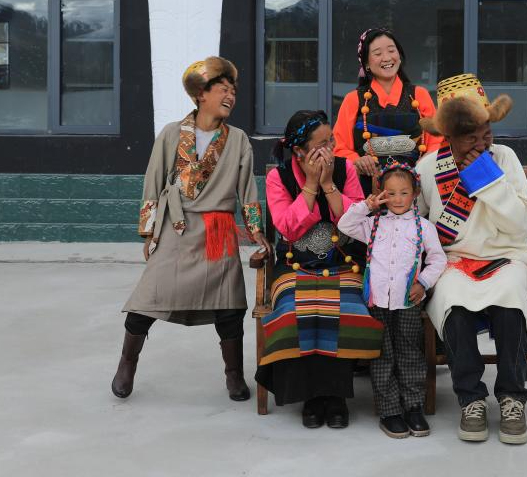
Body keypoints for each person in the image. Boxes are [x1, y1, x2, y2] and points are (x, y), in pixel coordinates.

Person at [112, 57, 271, 402]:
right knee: (147, 298)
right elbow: (154, 181)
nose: (230, 96)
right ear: (201, 94)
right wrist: (149, 232)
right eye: (222, 89)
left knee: (229, 306)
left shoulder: (238, 139)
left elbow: (247, 191)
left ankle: (233, 375)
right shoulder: (172, 133)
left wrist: (256, 231)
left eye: (233, 91)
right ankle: (127, 363)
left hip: (217, 230)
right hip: (177, 227)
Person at [414, 74, 527, 445]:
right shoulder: (428, 168)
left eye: (487, 133)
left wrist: (487, 180)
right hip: (453, 260)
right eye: (471, 137)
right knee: (453, 305)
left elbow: (522, 224)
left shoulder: (505, 158)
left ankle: (512, 397)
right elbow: (418, 226)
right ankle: (471, 399)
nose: (482, 143)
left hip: (506, 256)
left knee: (511, 300)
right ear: (449, 136)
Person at [254, 110, 385, 429]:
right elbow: (288, 228)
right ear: (300, 151)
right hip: (294, 263)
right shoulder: (279, 178)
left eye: (331, 140)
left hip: (343, 261)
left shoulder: (345, 169)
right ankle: (310, 397)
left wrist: (328, 184)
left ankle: (336, 396)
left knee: (344, 304)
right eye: (322, 143)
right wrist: (311, 185)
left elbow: (357, 221)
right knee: (295, 307)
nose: (331, 148)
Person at [337, 160, 448, 439]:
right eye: (391, 193)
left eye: (404, 193)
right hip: (377, 303)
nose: (398, 199)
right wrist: (368, 205)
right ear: (382, 193)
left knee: (410, 353)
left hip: (408, 301)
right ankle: (389, 411)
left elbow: (437, 260)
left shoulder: (424, 227)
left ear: (415, 193)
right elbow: (344, 224)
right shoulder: (372, 223)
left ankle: (413, 407)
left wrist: (423, 283)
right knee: (383, 355)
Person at [333, 28, 442, 197]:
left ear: (399, 55)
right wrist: (358, 160)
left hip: (415, 189)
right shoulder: (353, 99)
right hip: (368, 191)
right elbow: (340, 148)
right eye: (378, 53)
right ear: (366, 64)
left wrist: (424, 163)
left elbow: (437, 142)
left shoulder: (419, 95)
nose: (386, 58)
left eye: (391, 50)